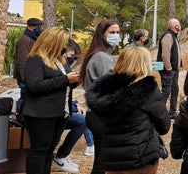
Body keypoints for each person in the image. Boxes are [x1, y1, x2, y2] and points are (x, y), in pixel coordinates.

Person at [86, 46, 171, 174]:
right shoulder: (148, 91)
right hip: (140, 158)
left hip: (112, 160)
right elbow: (164, 126)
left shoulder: (104, 90)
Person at [23, 27, 81, 174]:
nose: (65, 46)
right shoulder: (35, 58)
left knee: (49, 150)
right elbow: (34, 86)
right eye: (63, 43)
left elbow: (63, 84)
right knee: (40, 150)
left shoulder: (60, 60)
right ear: (53, 42)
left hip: (60, 112)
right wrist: (65, 79)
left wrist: (75, 80)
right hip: (41, 114)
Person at [80, 19, 120, 174]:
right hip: (101, 115)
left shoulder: (100, 55)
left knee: (101, 161)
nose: (116, 36)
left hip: (97, 113)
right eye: (112, 32)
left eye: (117, 32)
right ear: (101, 35)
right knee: (102, 163)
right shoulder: (101, 57)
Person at [52, 41, 93, 172]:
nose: (72, 58)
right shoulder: (47, 62)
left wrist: (74, 104)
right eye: (71, 54)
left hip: (62, 108)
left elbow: (66, 89)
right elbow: (54, 88)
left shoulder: (62, 62)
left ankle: (62, 156)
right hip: (51, 110)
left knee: (83, 120)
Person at [13, 17, 44, 120]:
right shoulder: (25, 40)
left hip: (30, 76)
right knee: (25, 100)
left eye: (39, 26)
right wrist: (25, 79)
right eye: (36, 27)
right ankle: (21, 123)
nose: (38, 29)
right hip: (26, 78)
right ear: (29, 27)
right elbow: (22, 62)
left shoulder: (32, 39)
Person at [156, 18, 182, 120]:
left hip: (174, 69)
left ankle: (172, 113)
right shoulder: (168, 36)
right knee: (166, 91)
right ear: (173, 26)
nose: (179, 26)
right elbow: (165, 54)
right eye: (178, 24)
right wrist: (169, 68)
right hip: (168, 69)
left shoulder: (174, 36)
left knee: (175, 89)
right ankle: (158, 114)